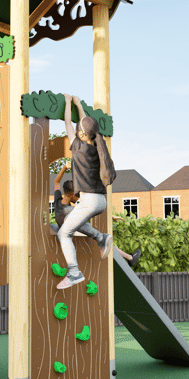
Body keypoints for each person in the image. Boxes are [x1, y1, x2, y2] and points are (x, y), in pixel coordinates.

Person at [55, 95, 116, 290]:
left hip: (89, 201)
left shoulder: (78, 148)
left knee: (64, 233)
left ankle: (74, 272)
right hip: (100, 201)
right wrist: (79, 105)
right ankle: (101, 238)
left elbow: (68, 123)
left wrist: (67, 103)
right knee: (73, 222)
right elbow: (84, 124)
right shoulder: (98, 148)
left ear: (81, 135)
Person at [52, 161, 140, 269]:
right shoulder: (72, 211)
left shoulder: (57, 202)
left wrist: (65, 167)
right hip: (73, 232)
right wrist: (111, 216)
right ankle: (125, 255)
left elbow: (56, 182)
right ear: (72, 195)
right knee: (100, 238)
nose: (79, 198)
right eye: (78, 195)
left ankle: (129, 257)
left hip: (62, 229)